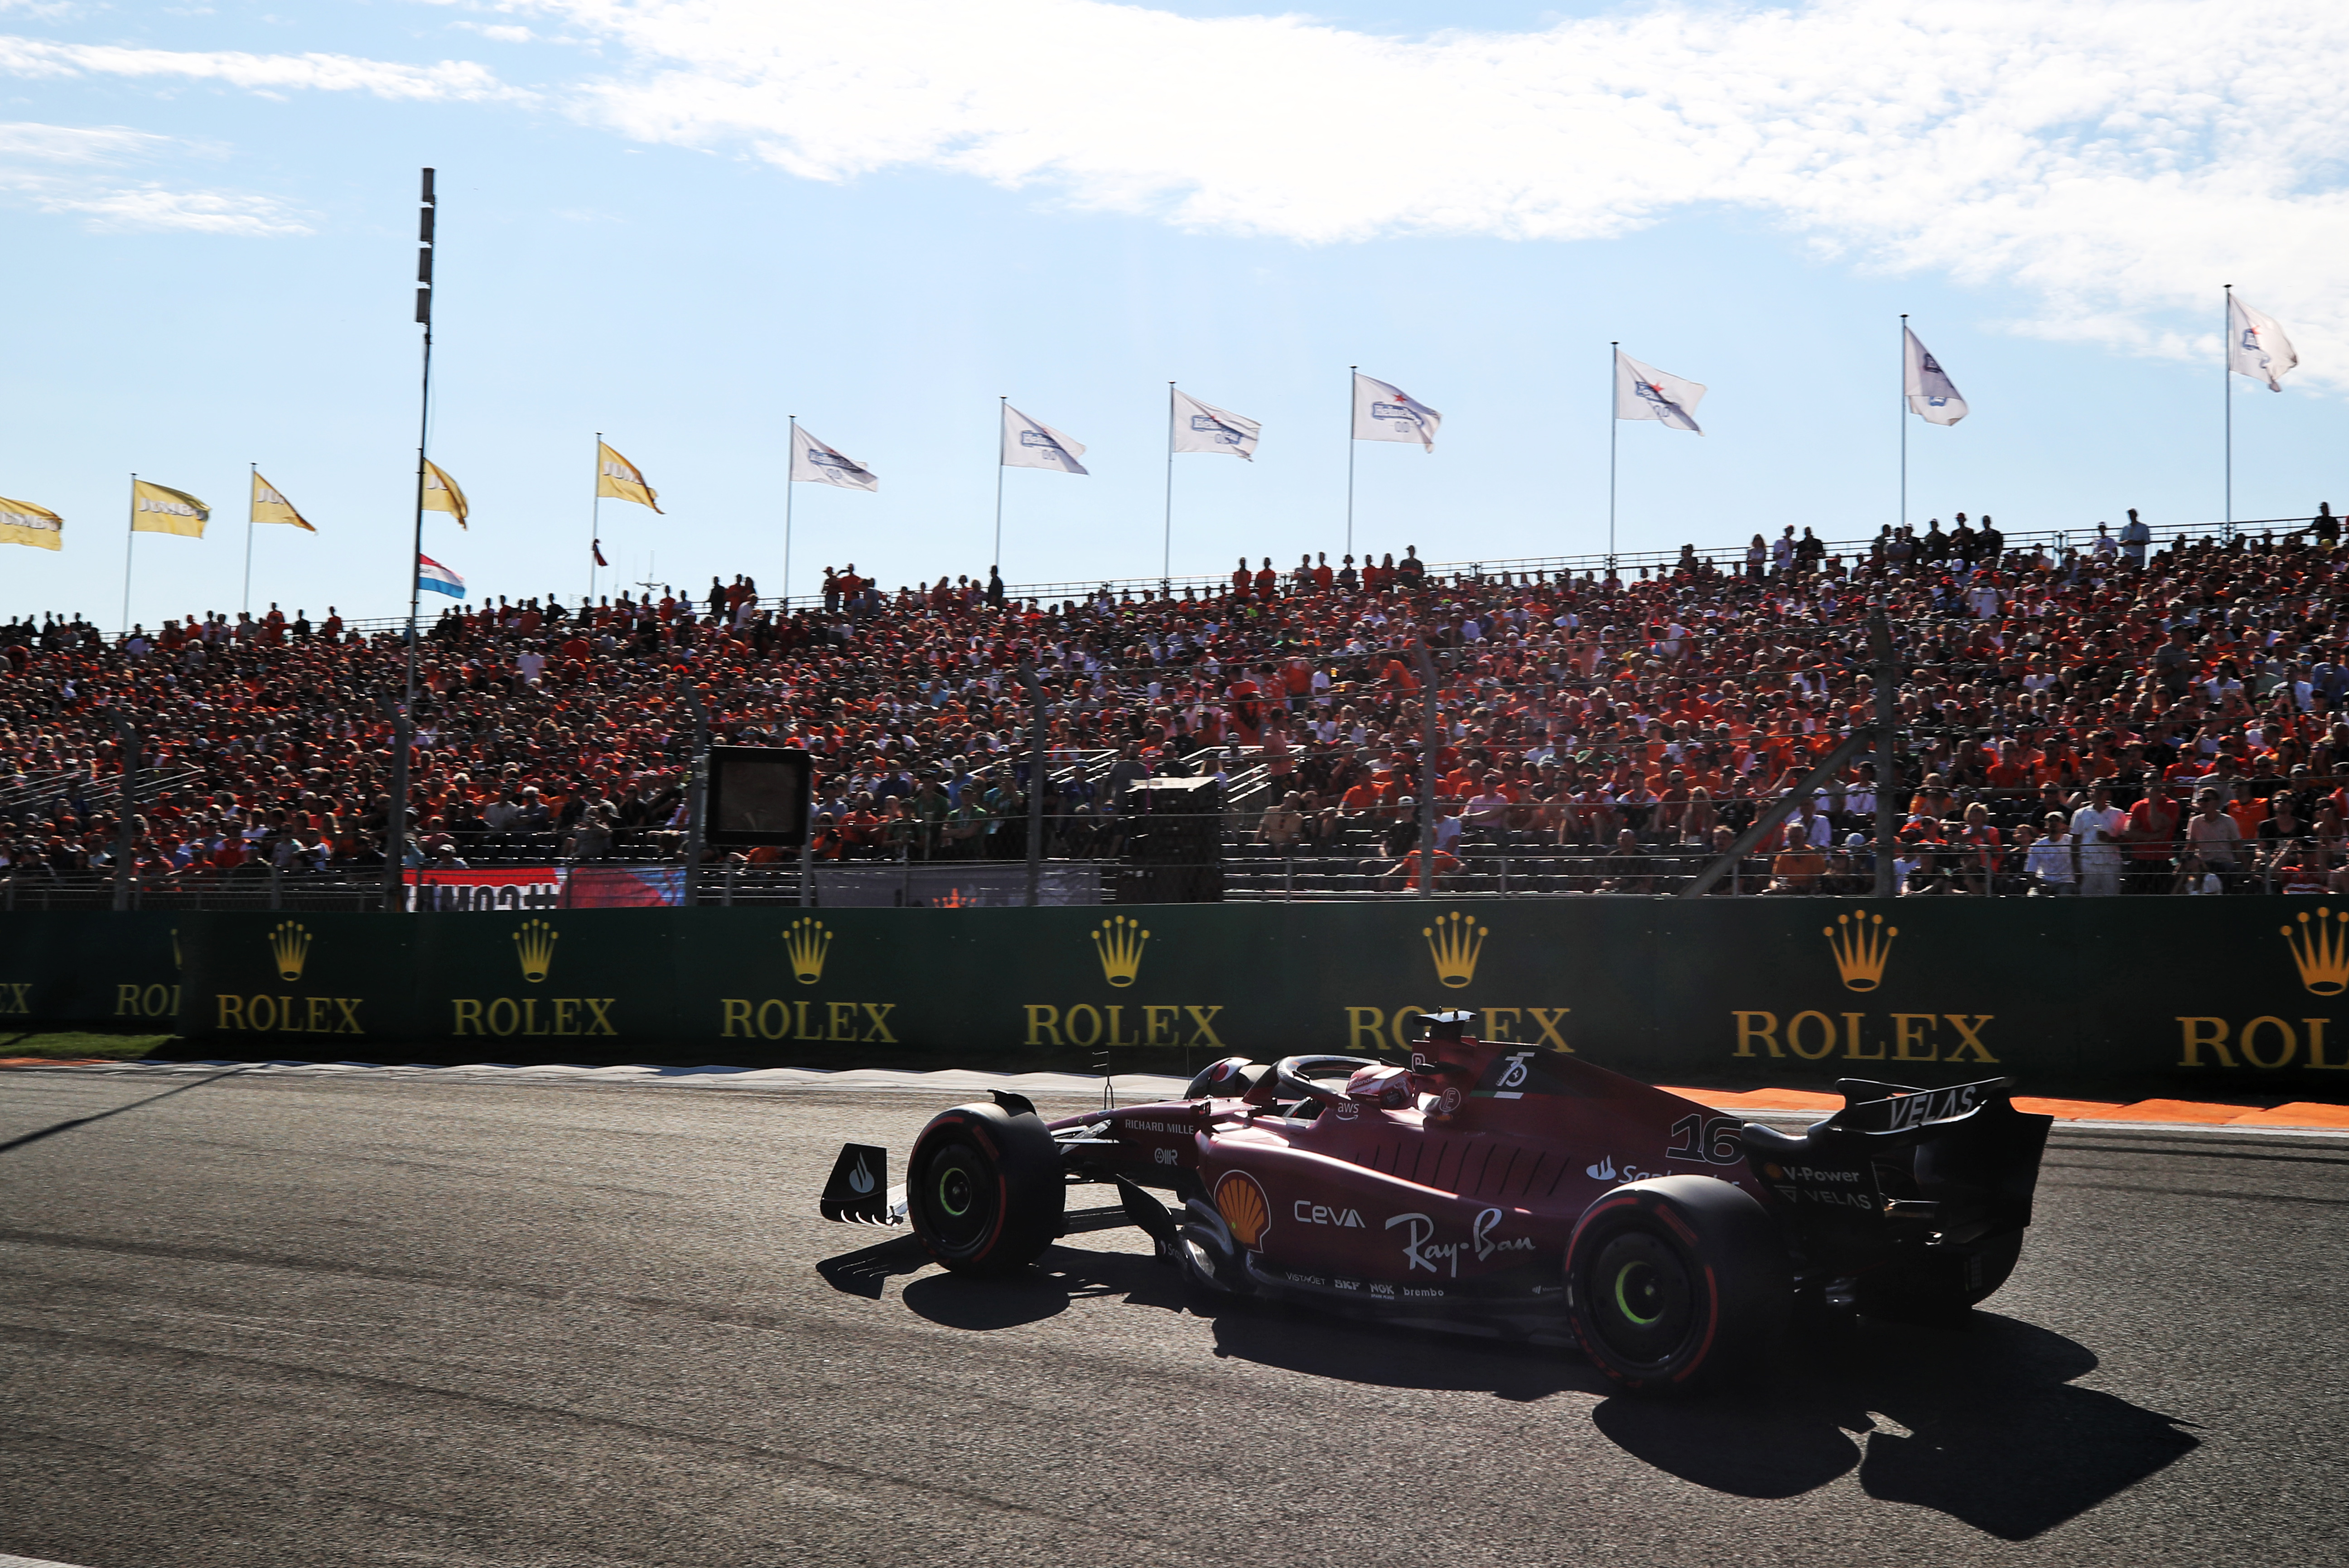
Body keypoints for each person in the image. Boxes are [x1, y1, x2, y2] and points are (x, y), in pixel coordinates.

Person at [2070, 784, 2126, 896]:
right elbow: (2075, 843)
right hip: (2087, 864)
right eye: (2096, 789)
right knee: (2088, 900)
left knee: (2111, 900)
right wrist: (2076, 870)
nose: (2099, 792)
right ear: (2089, 793)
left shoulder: (2119, 814)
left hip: (2111, 865)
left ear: (2109, 793)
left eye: (2103, 788)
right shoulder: (2080, 814)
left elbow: (2126, 840)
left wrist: (2110, 839)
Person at [2026, 812, 2078, 894]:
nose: (2054, 823)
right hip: (2044, 881)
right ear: (2046, 825)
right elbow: (2031, 873)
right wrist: (2039, 886)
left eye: (2057, 820)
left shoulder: (2073, 842)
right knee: (2032, 898)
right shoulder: (2036, 847)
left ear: (2064, 825)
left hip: (2066, 882)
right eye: (2050, 821)